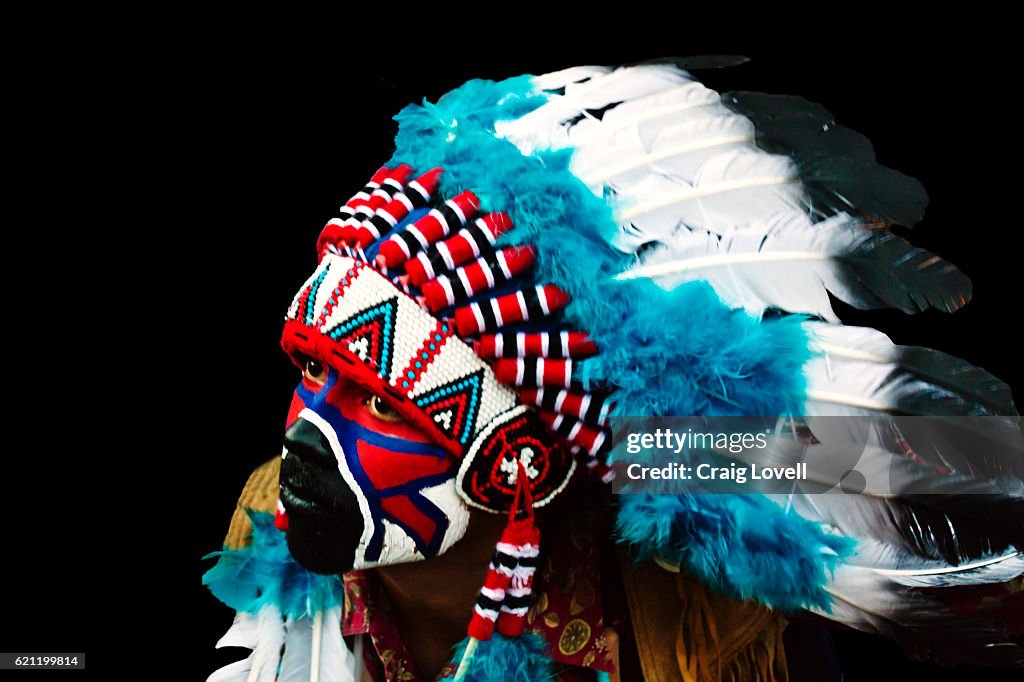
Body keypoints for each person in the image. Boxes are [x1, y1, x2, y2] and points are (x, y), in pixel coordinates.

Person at [204, 62, 1024, 681]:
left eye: (378, 403)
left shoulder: (690, 603)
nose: (308, 427)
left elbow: (925, 467)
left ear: (512, 461)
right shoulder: (264, 515)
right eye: (311, 371)